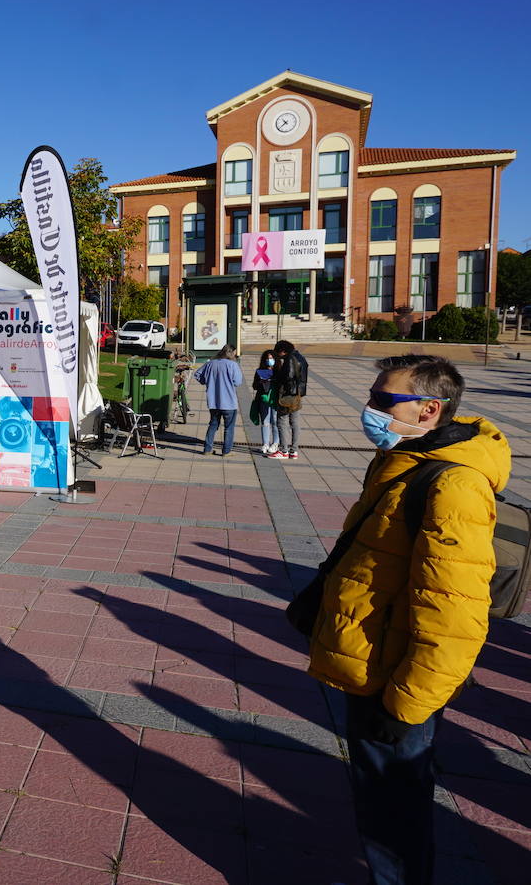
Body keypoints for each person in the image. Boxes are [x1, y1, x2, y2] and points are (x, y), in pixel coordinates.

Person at [308, 354, 509, 885]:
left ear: (429, 409)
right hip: (372, 659)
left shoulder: (453, 485)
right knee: (383, 805)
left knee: (393, 814)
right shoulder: (405, 459)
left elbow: (455, 613)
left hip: (397, 682)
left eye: (382, 400)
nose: (369, 409)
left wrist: (408, 704)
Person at [195, 344, 242, 456]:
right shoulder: (233, 365)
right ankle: (226, 451)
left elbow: (197, 375)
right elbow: (238, 382)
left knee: (213, 425)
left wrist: (206, 381)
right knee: (229, 428)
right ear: (231, 353)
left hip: (213, 401)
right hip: (229, 402)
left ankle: (207, 449)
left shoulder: (210, 363)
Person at [273, 339, 309, 460]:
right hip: (298, 394)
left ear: (283, 351)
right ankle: (294, 451)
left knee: (281, 421)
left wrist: (277, 378)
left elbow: (288, 377)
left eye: (278, 354)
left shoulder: (290, 359)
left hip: (288, 395)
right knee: (295, 423)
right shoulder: (301, 357)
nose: (278, 356)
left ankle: (283, 450)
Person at [252, 349, 281, 457]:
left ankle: (275, 443)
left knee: (275, 421)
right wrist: (261, 382)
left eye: (271, 358)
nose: (270, 360)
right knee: (265, 421)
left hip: (275, 400)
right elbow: (254, 386)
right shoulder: (259, 371)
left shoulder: (279, 371)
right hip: (263, 399)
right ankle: (265, 443)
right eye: (268, 358)